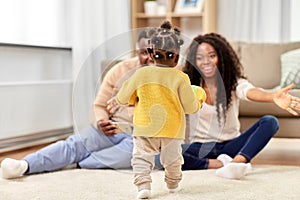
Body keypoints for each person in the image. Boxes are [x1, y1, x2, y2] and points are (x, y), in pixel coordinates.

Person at [0, 29, 154, 179]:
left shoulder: (174, 74)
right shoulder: (119, 70)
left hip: (145, 137)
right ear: (136, 51)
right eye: (144, 52)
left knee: (137, 153)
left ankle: (81, 163)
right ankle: (24, 165)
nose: (149, 57)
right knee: (75, 143)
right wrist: (101, 121)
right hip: (114, 128)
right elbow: (99, 106)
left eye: (154, 51)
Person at [179, 33, 300, 179]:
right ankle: (220, 164)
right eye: (199, 58)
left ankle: (238, 161)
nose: (206, 62)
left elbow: (250, 92)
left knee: (270, 122)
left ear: (221, 58)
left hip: (232, 145)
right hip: (200, 147)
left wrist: (273, 96)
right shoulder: (187, 85)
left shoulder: (233, 82)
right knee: (164, 156)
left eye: (212, 56)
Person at [116, 21, 206, 199]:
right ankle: (172, 184)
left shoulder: (140, 74)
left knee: (141, 157)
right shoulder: (181, 78)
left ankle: (143, 187)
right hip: (172, 130)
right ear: (177, 57)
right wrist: (199, 98)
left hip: (144, 128)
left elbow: (123, 98)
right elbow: (190, 107)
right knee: (172, 160)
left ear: (150, 53)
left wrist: (134, 97)